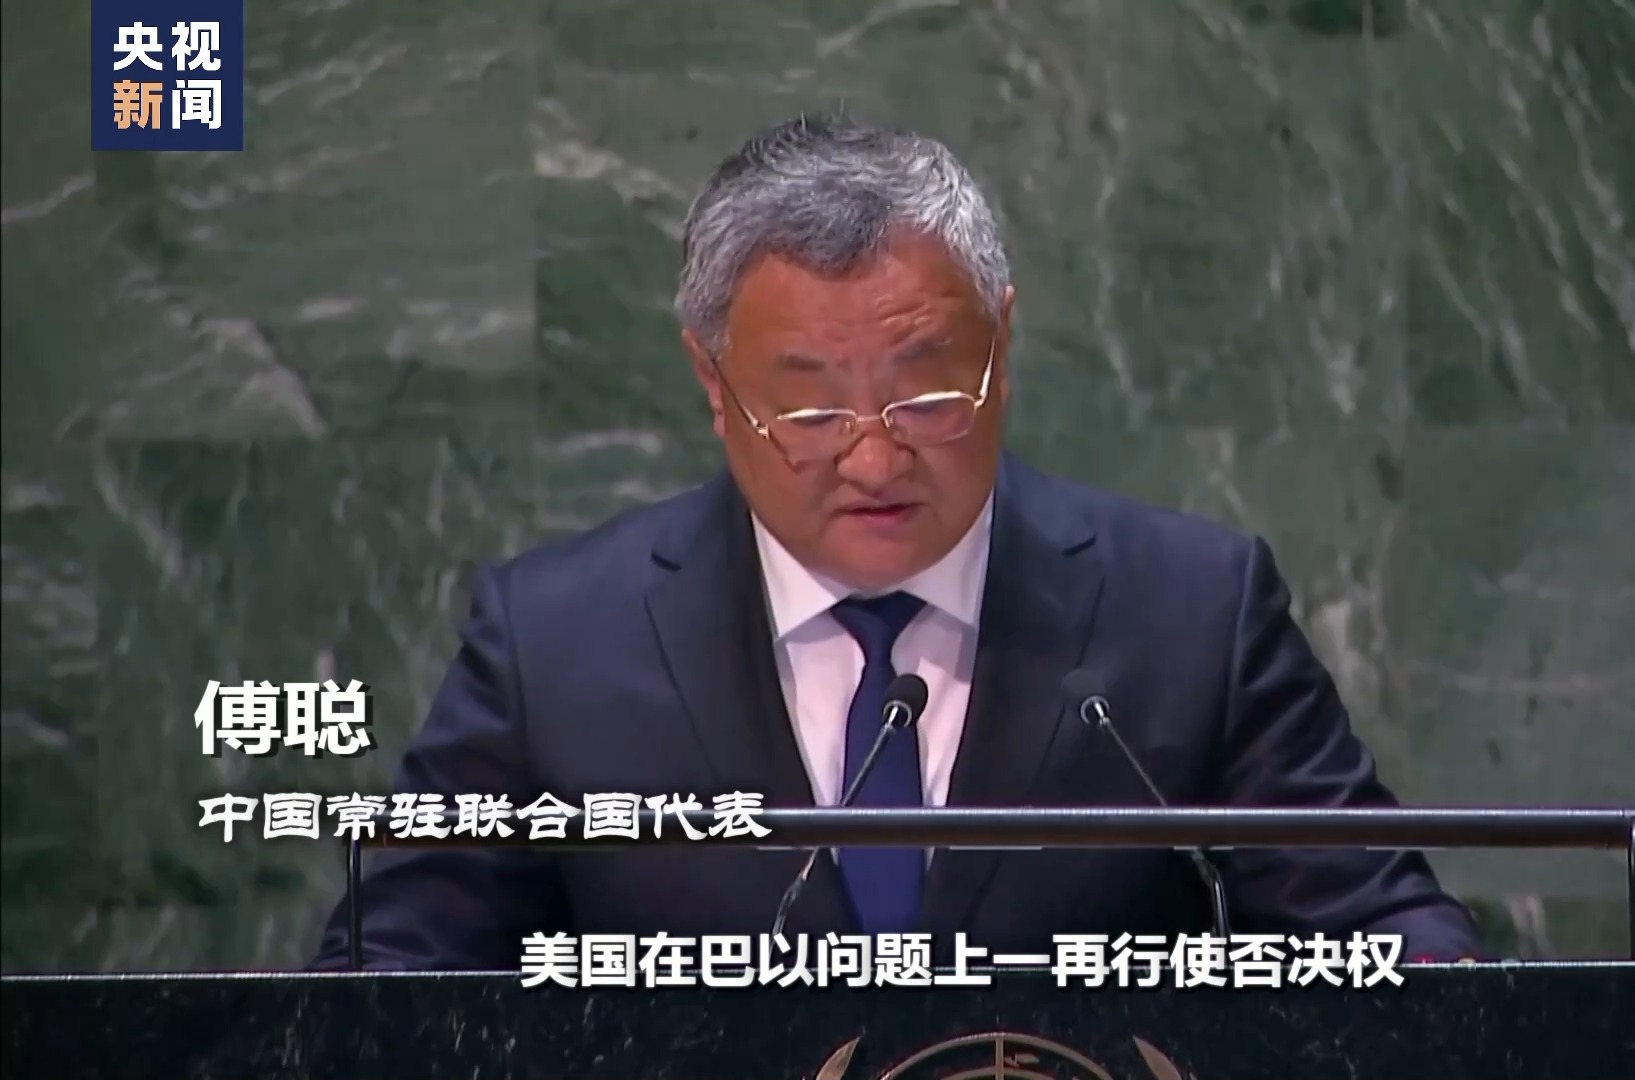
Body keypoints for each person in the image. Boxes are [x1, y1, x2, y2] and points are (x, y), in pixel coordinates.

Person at [313, 114, 1479, 970]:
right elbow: (384, 978)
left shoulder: (1193, 612)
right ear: (712, 384)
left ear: (1003, 348)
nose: (874, 461)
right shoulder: (554, 644)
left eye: (927, 394)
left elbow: (1386, 935)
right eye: (810, 409)